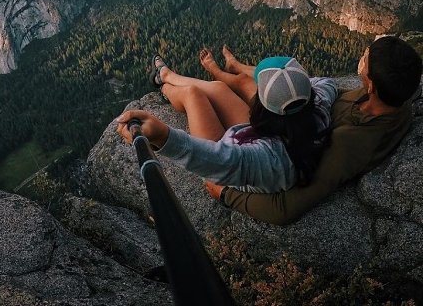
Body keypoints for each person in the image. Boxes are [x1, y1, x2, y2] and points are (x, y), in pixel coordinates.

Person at [210, 35, 422, 224]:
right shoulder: (393, 98)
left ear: (372, 86)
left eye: (366, 61)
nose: (362, 59)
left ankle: (219, 72)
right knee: (278, 82)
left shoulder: (348, 143)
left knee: (235, 87)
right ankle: (236, 66)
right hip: (303, 118)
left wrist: (226, 194)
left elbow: (285, 209)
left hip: (289, 133)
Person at [116, 52, 338, 193]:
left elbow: (219, 160)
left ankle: (165, 86)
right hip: (262, 132)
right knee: (219, 88)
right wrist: (286, 79)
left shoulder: (267, 159)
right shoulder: (318, 107)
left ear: (262, 105)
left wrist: (162, 137)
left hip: (224, 155)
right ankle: (167, 76)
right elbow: (326, 82)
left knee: (192, 94)